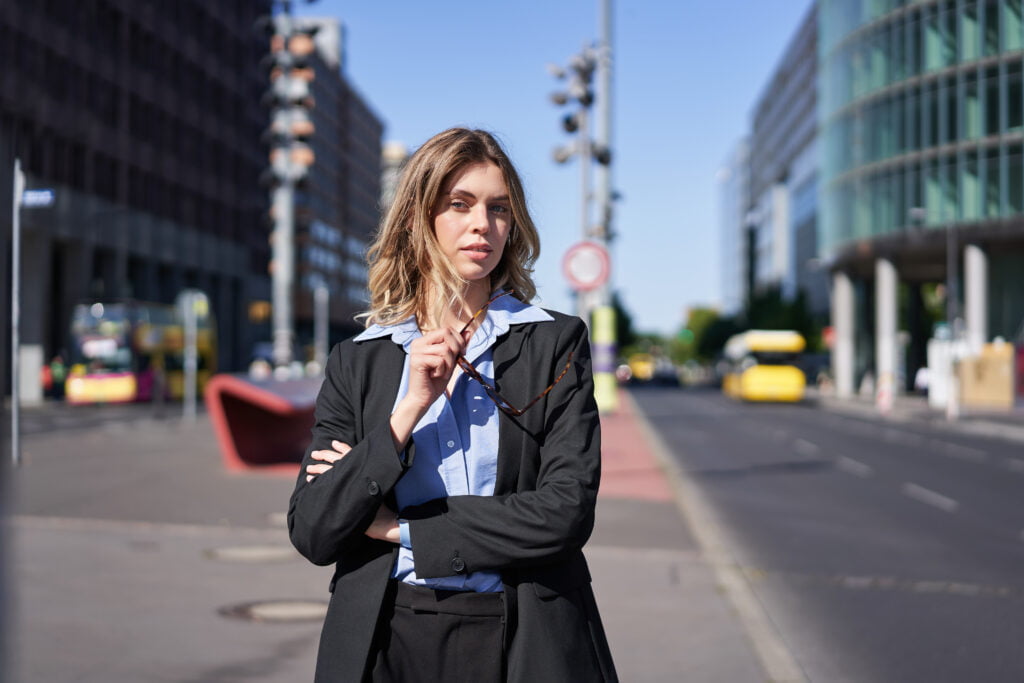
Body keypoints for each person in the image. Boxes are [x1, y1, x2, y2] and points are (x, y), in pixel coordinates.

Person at [288, 128, 617, 683]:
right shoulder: (358, 360)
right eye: (459, 205)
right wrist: (408, 408)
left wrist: (399, 530)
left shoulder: (553, 343)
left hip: (524, 634)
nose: (481, 225)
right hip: (383, 636)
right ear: (420, 218)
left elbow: (563, 513)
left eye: (498, 208)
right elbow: (316, 530)